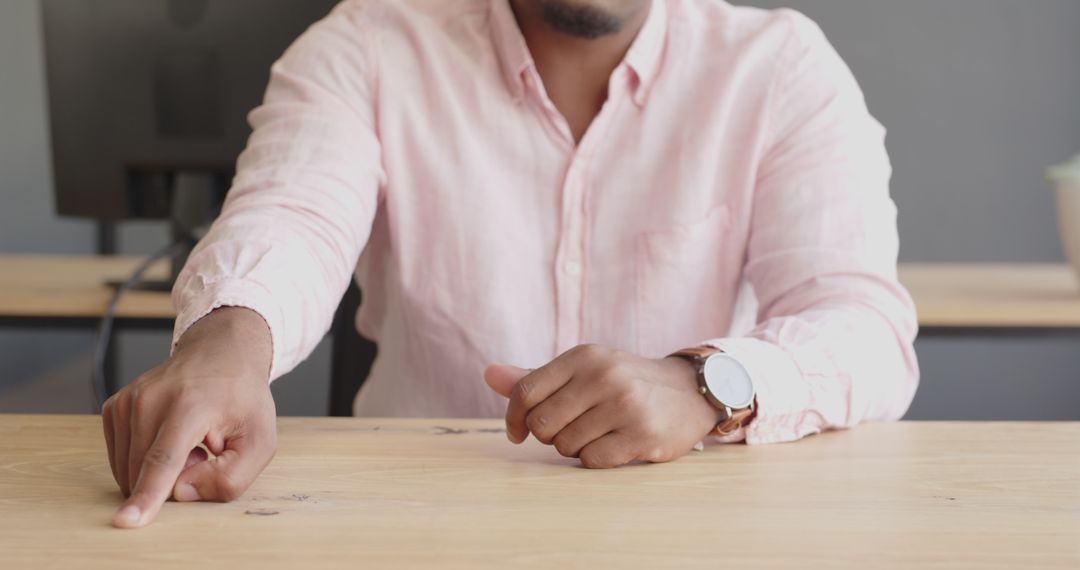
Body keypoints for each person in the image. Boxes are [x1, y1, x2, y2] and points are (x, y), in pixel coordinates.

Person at [101, 0, 920, 529]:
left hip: (695, 533)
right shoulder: (368, 44)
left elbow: (864, 326)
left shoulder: (778, 66)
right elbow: (292, 213)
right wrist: (227, 345)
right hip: (411, 531)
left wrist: (704, 383)